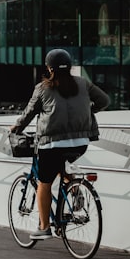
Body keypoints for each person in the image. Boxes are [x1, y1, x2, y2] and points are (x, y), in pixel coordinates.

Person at [10, 49, 110, 240]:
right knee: (61, 165)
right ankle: (74, 188)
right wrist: (89, 111)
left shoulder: (42, 88)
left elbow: (28, 114)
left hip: (52, 144)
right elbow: (104, 101)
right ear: (70, 66)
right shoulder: (83, 83)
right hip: (80, 143)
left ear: (49, 68)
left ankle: (44, 226)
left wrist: (16, 128)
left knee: (44, 183)